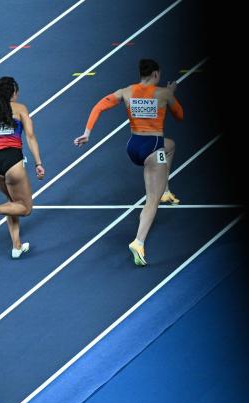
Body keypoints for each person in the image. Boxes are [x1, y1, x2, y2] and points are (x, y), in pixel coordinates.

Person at [74, 59, 184, 266]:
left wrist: (87, 133)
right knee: (152, 200)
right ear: (156, 75)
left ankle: (166, 189)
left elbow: (99, 106)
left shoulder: (126, 91)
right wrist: (171, 94)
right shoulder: (163, 93)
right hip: (153, 148)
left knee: (170, 146)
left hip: (133, 146)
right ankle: (139, 242)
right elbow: (180, 116)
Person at [0, 76, 45, 259]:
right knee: (25, 208)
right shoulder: (20, 109)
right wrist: (38, 163)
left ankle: (16, 246)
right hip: (13, 161)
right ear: (12, 93)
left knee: (11, 202)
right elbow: (30, 137)